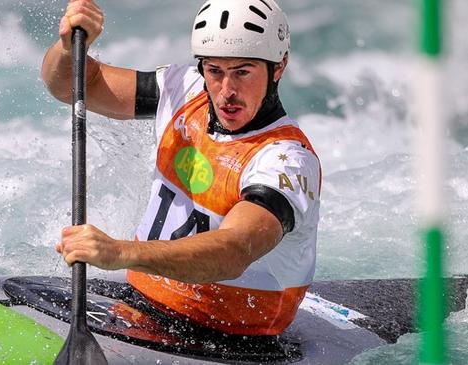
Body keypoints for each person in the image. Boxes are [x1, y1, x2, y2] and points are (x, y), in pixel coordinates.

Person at [43, 0, 321, 336]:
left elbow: (234, 250)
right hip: (141, 304)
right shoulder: (185, 91)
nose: (227, 91)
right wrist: (68, 45)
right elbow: (72, 85)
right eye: (215, 71)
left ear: (279, 67)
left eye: (243, 72)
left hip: (231, 339)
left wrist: (121, 252)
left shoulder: (287, 159)